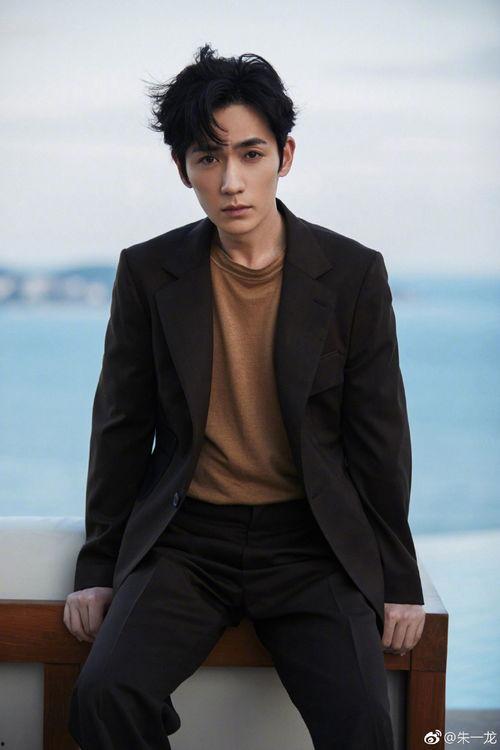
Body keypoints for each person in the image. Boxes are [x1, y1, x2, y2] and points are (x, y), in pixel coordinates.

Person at [65, 43, 426, 749]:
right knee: (104, 696)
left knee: (362, 721)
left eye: (251, 154)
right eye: (208, 158)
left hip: (309, 545)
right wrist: (97, 568)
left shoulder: (352, 274)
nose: (231, 181)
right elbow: (121, 426)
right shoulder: (149, 272)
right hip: (187, 543)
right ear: (184, 170)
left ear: (284, 157)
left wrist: (399, 579)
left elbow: (379, 437)